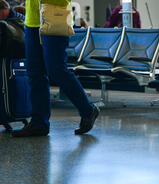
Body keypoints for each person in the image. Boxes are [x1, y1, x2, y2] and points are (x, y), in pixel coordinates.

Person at [12, 0, 99, 137]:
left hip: (54, 17)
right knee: (35, 73)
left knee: (57, 70)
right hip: (32, 22)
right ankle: (39, 123)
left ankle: (88, 110)